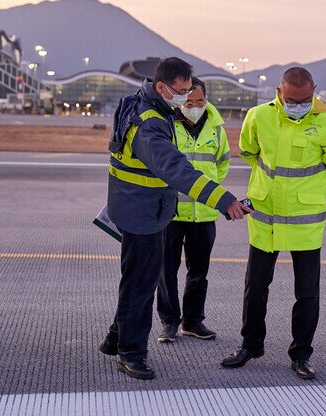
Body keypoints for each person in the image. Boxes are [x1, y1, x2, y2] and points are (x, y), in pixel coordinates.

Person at [98, 57, 251, 380]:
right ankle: (131, 352)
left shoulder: (136, 104)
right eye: (180, 92)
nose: (184, 99)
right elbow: (175, 168)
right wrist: (223, 199)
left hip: (134, 206)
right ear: (161, 87)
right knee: (141, 284)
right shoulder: (150, 122)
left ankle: (116, 337)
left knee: (136, 279)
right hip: (143, 212)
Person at [221, 67, 326, 380]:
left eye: (304, 99)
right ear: (279, 92)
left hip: (305, 221)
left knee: (306, 293)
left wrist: (302, 192)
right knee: (255, 287)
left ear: (314, 91)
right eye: (290, 99)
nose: (296, 104)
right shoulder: (257, 116)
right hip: (265, 217)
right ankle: (251, 345)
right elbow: (249, 152)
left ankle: (301, 354)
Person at [156, 77, 231, 343]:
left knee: (199, 271)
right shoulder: (167, 125)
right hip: (172, 212)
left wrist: (209, 194)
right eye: (190, 101)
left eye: (200, 101)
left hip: (204, 212)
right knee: (166, 270)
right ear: (181, 100)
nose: (195, 106)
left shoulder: (216, 128)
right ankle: (168, 322)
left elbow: (221, 164)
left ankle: (193, 321)